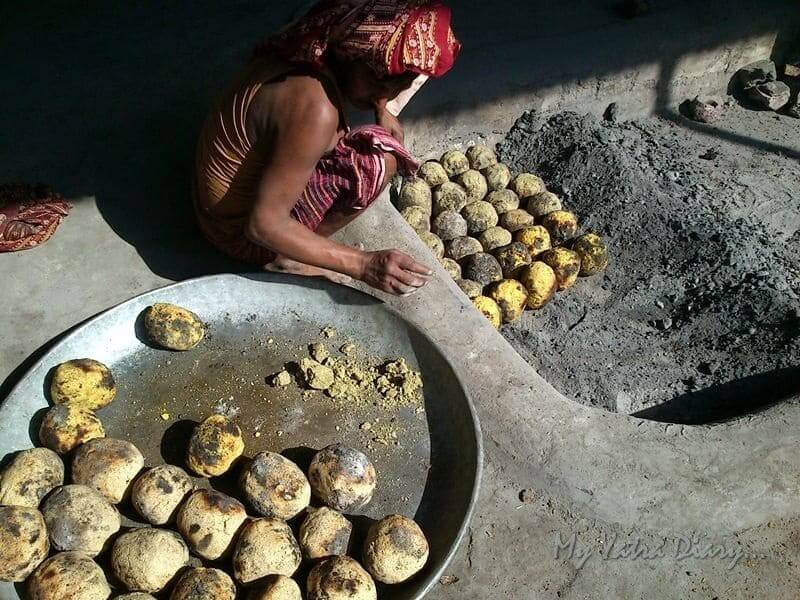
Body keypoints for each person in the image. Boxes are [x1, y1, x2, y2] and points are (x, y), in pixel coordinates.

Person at [194, 0, 460, 295]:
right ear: (353, 54)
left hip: (212, 203)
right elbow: (263, 225)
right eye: (379, 80)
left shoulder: (314, 39)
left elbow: (366, 78)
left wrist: (380, 105)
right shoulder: (316, 110)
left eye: (401, 84)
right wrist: (362, 264)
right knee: (380, 159)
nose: (390, 93)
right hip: (236, 232)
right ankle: (288, 259)